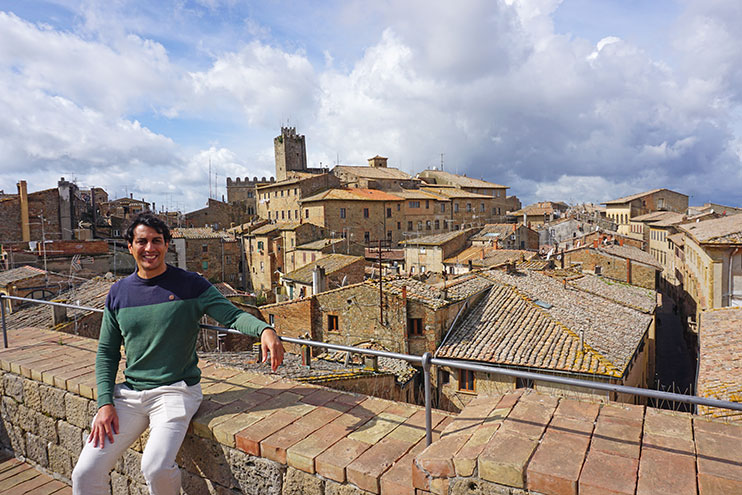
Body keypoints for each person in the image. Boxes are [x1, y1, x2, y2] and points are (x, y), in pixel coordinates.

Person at [71, 212, 284, 495]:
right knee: (85, 472)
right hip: (130, 395)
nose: (150, 248)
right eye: (142, 241)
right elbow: (107, 353)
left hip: (176, 392)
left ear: (167, 244)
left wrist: (265, 330)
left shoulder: (191, 285)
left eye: (156, 241)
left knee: (155, 467)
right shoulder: (118, 293)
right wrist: (104, 403)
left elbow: (231, 315)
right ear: (130, 246)